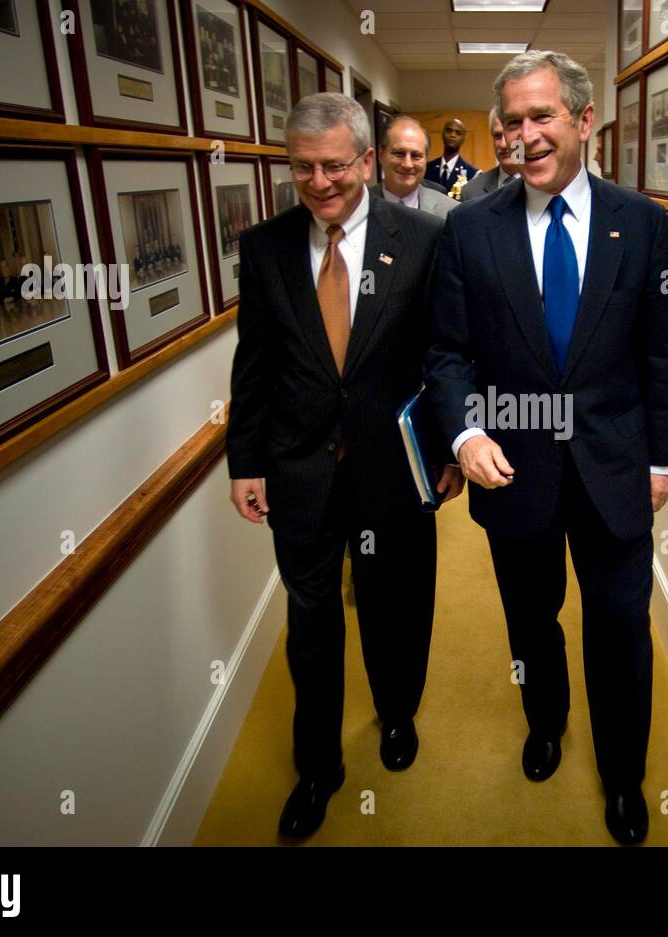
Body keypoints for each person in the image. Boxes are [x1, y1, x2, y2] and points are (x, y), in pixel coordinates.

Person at [425, 50, 668, 846]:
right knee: (531, 621)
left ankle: (623, 774)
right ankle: (546, 723)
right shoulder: (470, 227)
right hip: (516, 473)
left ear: (582, 120)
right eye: (511, 122)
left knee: (619, 625)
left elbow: (659, 350)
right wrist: (465, 430)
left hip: (614, 469)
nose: (525, 136)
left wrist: (662, 458)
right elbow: (447, 353)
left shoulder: (638, 220)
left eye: (541, 117)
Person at [227, 92, 463, 840]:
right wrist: (245, 460)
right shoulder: (265, 248)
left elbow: (446, 355)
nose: (320, 182)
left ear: (366, 161)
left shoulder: (425, 240)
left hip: (394, 470)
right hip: (301, 472)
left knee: (397, 607)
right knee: (311, 623)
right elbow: (254, 363)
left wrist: (452, 445)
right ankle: (317, 766)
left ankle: (397, 715)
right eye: (303, 168)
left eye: (334, 165)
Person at [369, 115, 457, 219]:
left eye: (416, 156)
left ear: (426, 159)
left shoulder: (451, 211)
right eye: (399, 154)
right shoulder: (356, 206)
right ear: (381, 155)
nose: (407, 164)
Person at [461, 108, 523, 202]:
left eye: (510, 135)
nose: (503, 144)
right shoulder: (471, 192)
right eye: (497, 136)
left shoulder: (545, 187)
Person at [424, 118, 478, 196]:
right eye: (449, 131)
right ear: (442, 135)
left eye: (458, 133)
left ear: (463, 139)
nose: (452, 135)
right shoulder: (426, 168)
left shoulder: (472, 174)